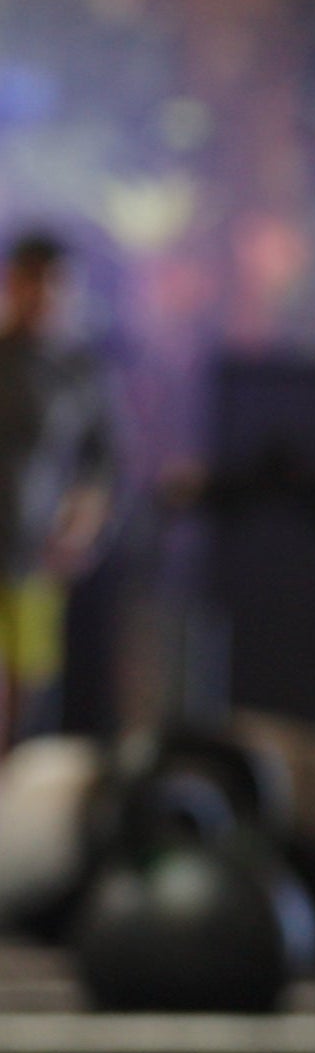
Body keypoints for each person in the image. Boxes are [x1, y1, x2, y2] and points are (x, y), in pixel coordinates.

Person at [0, 233, 115, 748]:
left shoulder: (80, 372)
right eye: (32, 280)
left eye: (55, 283)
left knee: (26, 705)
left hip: (35, 561)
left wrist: (82, 523)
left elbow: (105, 461)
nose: (44, 294)